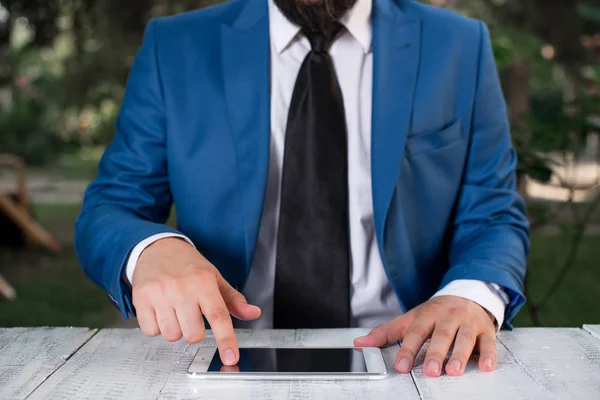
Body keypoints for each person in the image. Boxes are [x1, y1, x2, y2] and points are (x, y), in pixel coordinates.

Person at [75, 0, 529, 378]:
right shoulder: (174, 47)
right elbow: (112, 206)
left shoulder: (460, 47)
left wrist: (470, 295)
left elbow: (492, 214)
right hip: (225, 358)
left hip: (411, 360)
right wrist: (151, 249)